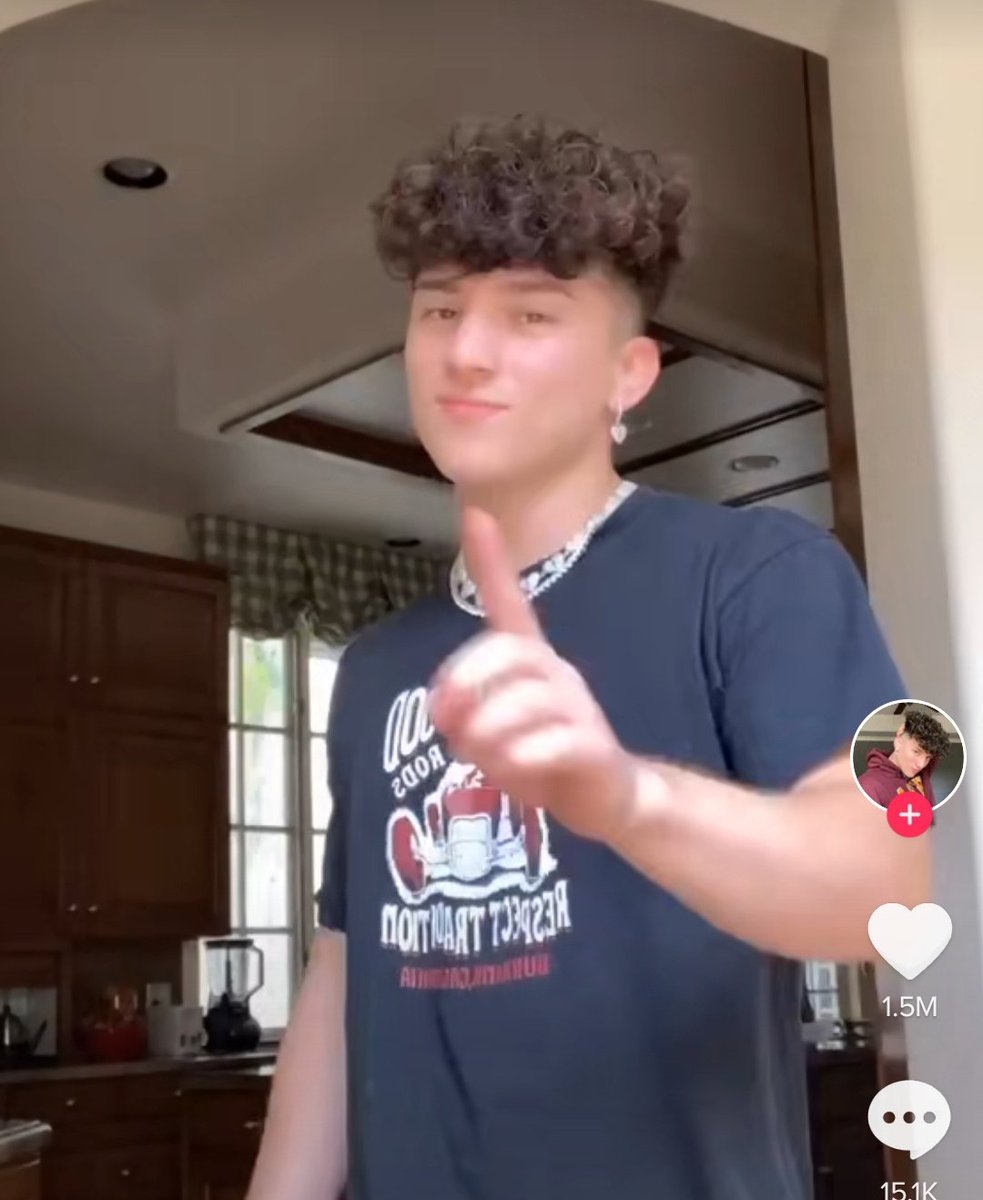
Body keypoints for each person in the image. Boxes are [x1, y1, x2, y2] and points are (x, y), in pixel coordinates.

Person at [246, 117, 930, 1200]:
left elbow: (890, 883)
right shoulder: (374, 666)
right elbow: (341, 975)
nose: (467, 351)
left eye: (530, 313)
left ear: (629, 374)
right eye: (440, 309)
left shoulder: (762, 573)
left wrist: (622, 797)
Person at [858, 708, 950, 808]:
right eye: (916, 752)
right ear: (899, 740)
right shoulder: (869, 786)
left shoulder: (923, 772)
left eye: (928, 757)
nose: (921, 764)